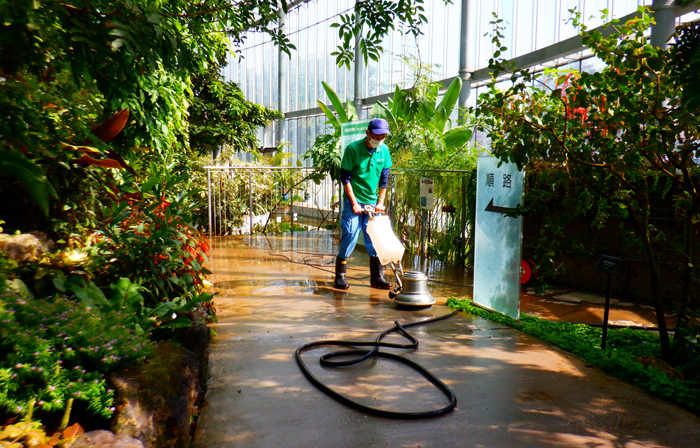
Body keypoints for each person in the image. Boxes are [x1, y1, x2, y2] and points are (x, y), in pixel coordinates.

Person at [334, 118, 393, 290]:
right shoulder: (353, 149)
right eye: (377, 136)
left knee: (374, 237)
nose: (380, 139)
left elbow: (384, 178)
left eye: (383, 136)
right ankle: (340, 276)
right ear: (368, 133)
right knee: (351, 232)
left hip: (372, 201)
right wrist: (353, 202)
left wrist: (380, 202)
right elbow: (345, 178)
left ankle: (377, 278)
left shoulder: (384, 150)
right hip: (354, 198)